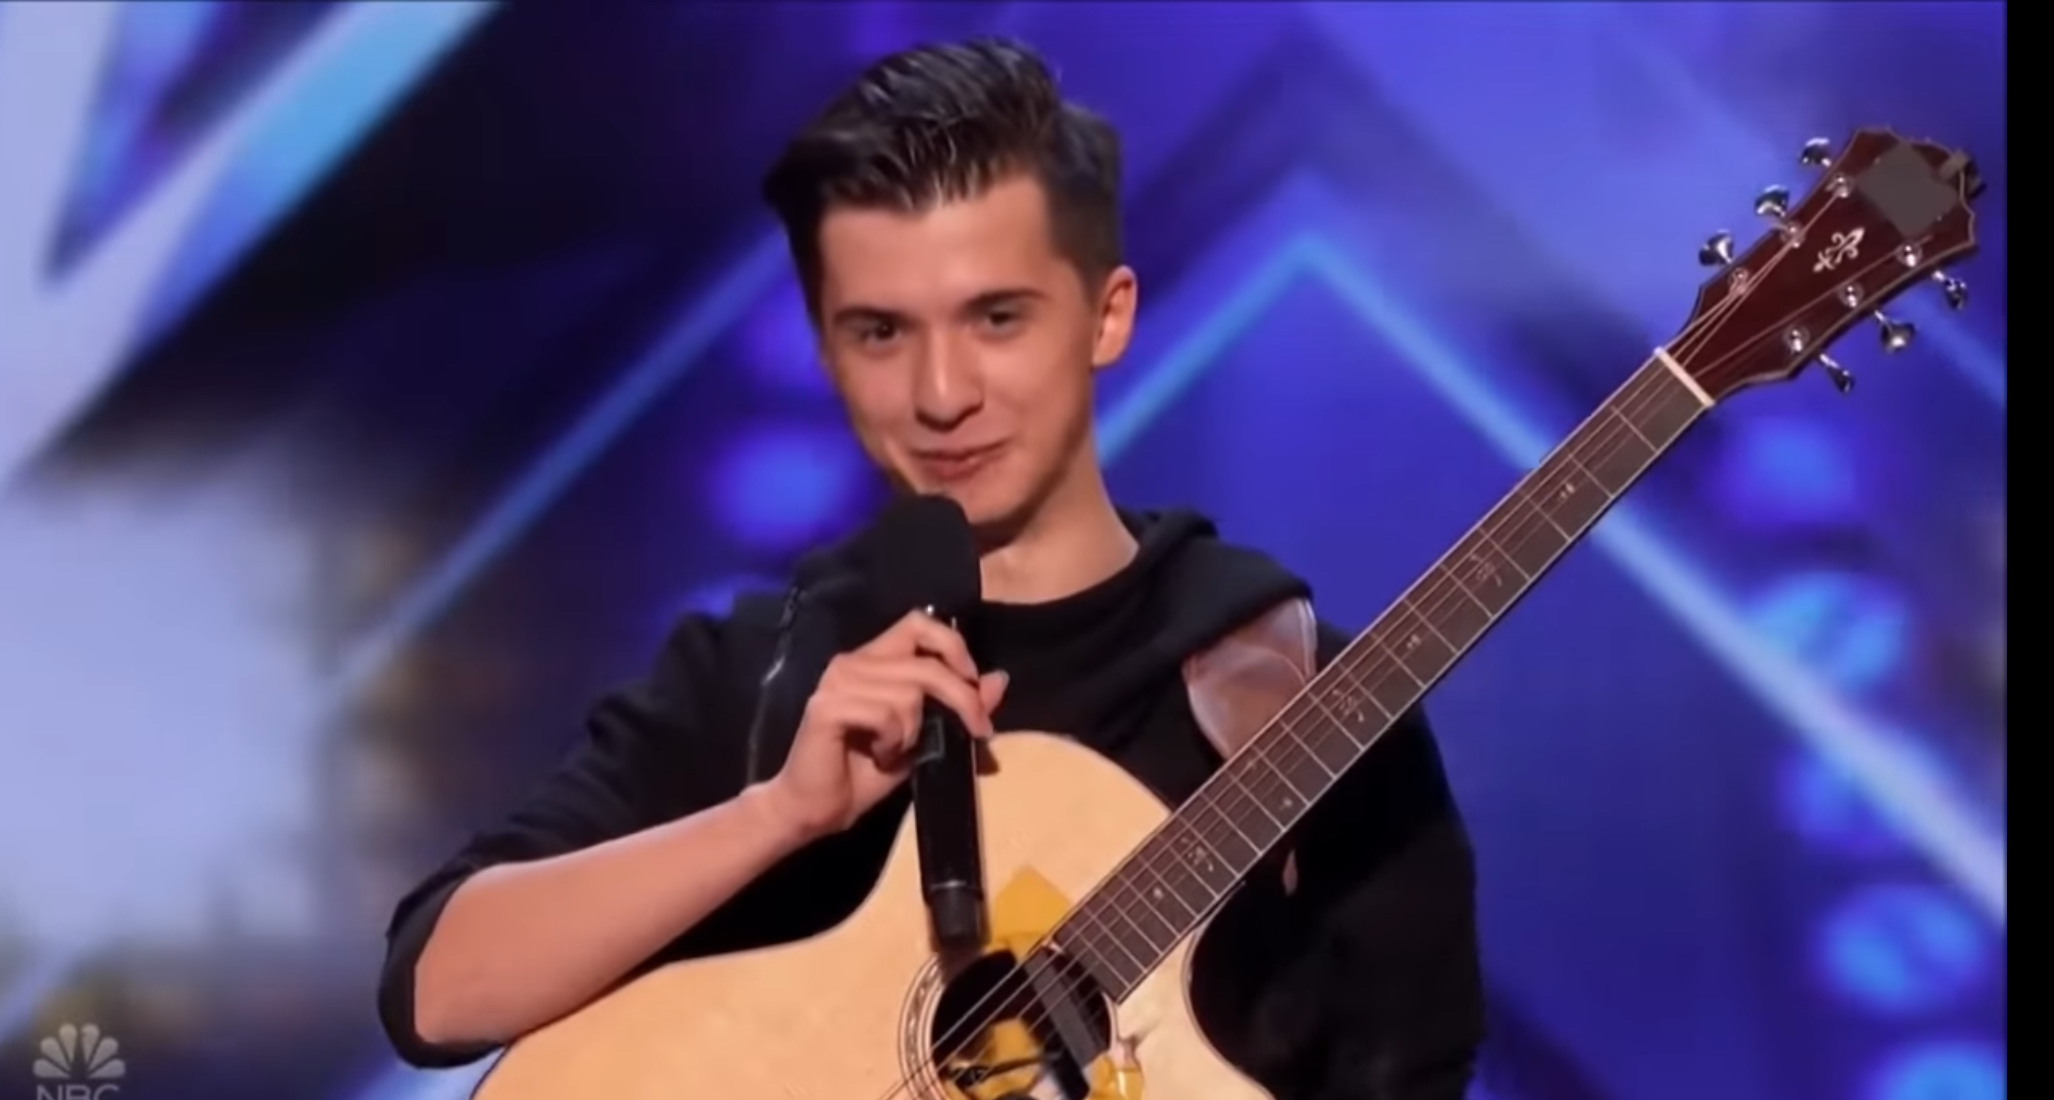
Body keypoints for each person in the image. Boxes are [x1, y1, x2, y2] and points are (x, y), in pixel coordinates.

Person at [377, 37, 1484, 1099]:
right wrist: (777, 816)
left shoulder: (1299, 701)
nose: (941, 392)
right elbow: (435, 990)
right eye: (880, 333)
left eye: (995, 318)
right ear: (824, 350)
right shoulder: (760, 671)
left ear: (1106, 317)